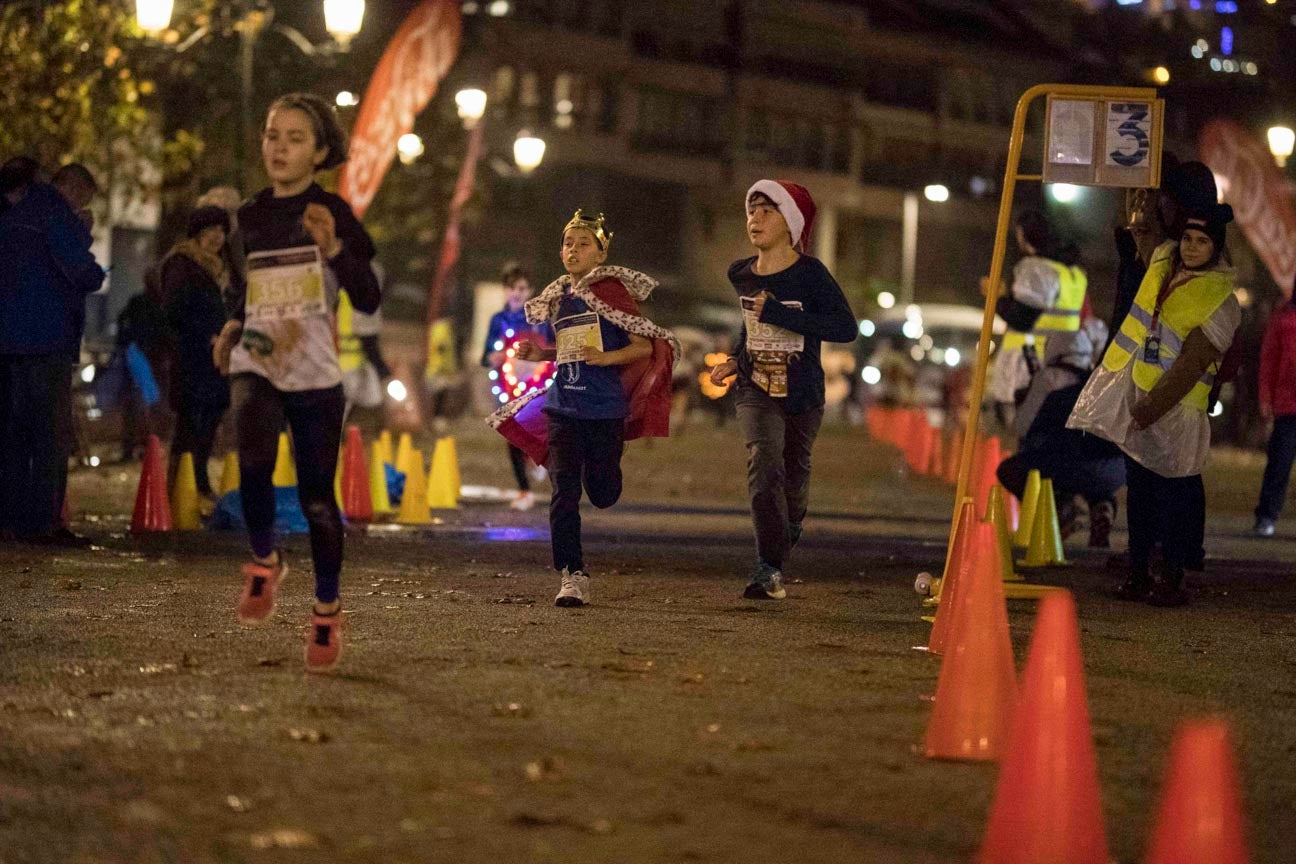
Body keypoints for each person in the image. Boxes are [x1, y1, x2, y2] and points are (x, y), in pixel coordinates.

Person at [212, 93, 381, 672]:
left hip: (313, 371)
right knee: (253, 461)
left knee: (316, 500)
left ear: (321, 152)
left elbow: (368, 296)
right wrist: (233, 324)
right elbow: (245, 284)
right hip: (258, 359)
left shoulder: (334, 212)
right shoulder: (250, 215)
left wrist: (333, 247)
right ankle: (264, 559)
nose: (278, 148)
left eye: (293, 139)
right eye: (271, 135)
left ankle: (326, 611)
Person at [489, 210, 678, 607]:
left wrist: (604, 358)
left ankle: (607, 472)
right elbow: (570, 351)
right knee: (564, 492)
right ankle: (572, 574)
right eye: (568, 243)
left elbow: (642, 346)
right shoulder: (560, 297)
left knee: (604, 492)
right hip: (564, 407)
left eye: (583, 244)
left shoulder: (612, 292)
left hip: (604, 409)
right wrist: (543, 353)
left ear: (601, 253)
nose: (573, 250)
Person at [1069, 204, 1240, 607]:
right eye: (1188, 239)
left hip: (1176, 413)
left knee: (1174, 499)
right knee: (1142, 496)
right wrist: (1136, 202)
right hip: (1142, 401)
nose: (1192, 247)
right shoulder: (1167, 268)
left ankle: (1172, 577)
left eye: (1202, 242)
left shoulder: (1220, 299)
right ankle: (1139, 572)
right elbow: (1145, 238)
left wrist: (1149, 410)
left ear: (1216, 247)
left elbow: (1189, 367)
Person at [709, 180, 857, 599]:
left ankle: (785, 530)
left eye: (766, 211)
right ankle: (767, 568)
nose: (754, 219)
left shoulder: (811, 274)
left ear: (790, 222)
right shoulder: (741, 272)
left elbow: (844, 327)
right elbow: (750, 326)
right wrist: (737, 360)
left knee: (793, 475)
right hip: (755, 387)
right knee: (764, 461)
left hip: (802, 392)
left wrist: (781, 314)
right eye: (750, 211)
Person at [0, 160, 104, 544]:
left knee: (14, 433)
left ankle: (11, 520)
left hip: (8, 343)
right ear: (74, 190)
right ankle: (45, 523)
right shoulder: (55, 211)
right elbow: (80, 270)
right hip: (46, 339)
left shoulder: (13, 214)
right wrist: (83, 233)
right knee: (49, 434)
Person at [996, 318, 1125, 548]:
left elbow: (1022, 428)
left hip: (1068, 465)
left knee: (1010, 470)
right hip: (1115, 469)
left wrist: (1023, 400)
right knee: (1093, 480)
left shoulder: (1047, 380)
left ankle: (1061, 508)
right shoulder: (1099, 380)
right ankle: (1102, 509)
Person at [986, 211, 1087, 432]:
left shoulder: (1036, 270)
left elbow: (1022, 318)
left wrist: (997, 298)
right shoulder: (1073, 274)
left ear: (1026, 235)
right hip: (1063, 363)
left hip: (1029, 365)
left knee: (1026, 436)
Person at [162, 205, 232, 501]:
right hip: (191, 357)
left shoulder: (218, 268)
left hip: (215, 358)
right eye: (211, 230)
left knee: (209, 421)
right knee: (190, 422)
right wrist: (207, 334)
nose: (218, 236)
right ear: (198, 232)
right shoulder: (183, 264)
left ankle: (198, 482)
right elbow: (174, 310)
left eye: (222, 230)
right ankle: (181, 488)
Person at [481, 261, 552, 511]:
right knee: (512, 437)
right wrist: (494, 357)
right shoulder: (497, 320)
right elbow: (485, 356)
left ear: (530, 291)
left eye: (522, 288)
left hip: (538, 386)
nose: (516, 293)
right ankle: (524, 491)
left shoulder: (540, 320)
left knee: (535, 431)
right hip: (507, 388)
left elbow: (554, 349)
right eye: (512, 287)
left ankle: (537, 459)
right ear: (505, 290)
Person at [1253, 277, 1296, 537]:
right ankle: (1266, 515)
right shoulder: (1283, 319)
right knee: (1279, 464)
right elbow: (1269, 359)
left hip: (1285, 402)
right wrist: (1265, 397)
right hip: (1288, 405)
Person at [338, 260, 391, 418]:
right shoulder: (366, 302)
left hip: (332, 363)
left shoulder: (341, 295)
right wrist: (384, 372)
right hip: (350, 369)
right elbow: (368, 341)